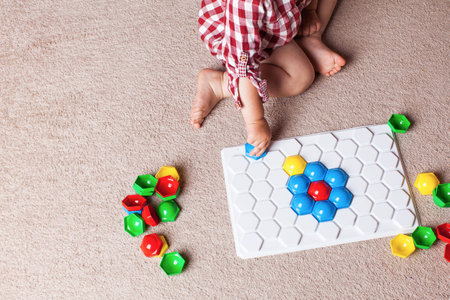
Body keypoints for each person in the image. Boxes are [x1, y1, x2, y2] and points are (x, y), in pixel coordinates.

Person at [191, 0, 345, 157]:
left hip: (283, 17)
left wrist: (309, 11)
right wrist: (256, 122)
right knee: (301, 77)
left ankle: (311, 38)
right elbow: (243, 69)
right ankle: (219, 84)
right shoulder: (245, 5)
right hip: (246, 39)